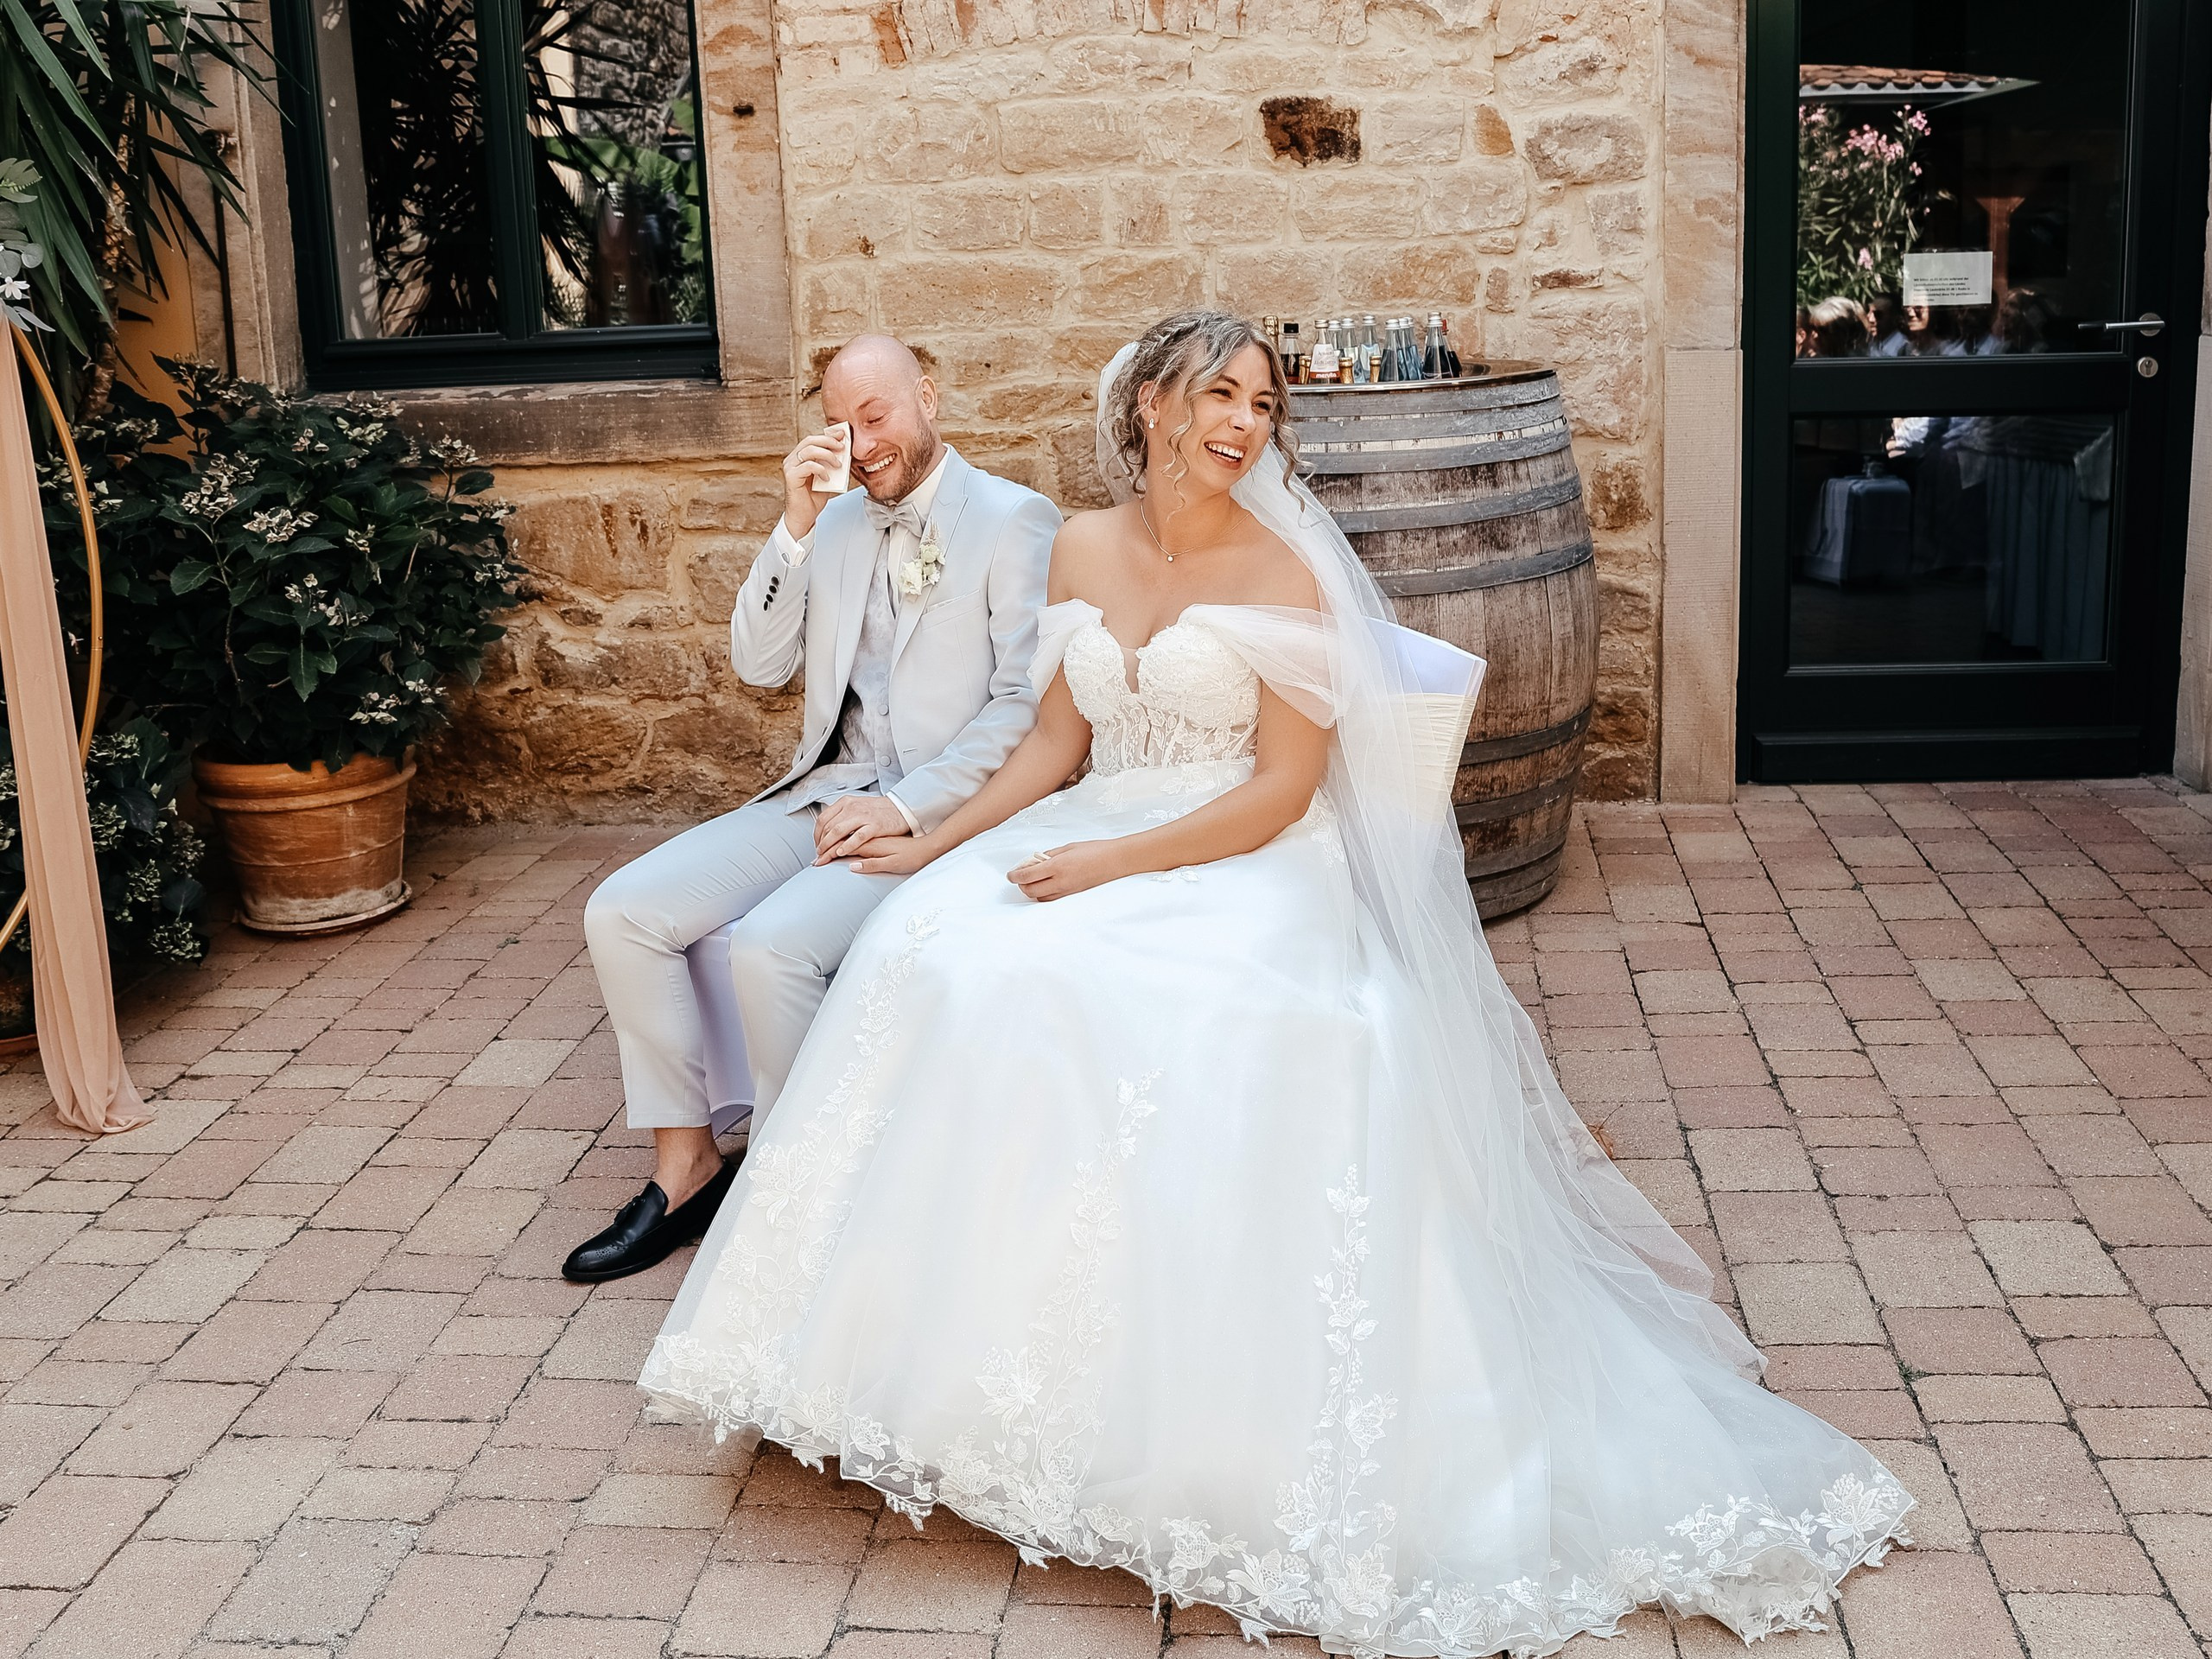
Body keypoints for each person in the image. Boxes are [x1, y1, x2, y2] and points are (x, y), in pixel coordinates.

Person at [642, 311, 1914, 1655]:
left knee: (1197, 1011)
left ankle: (1173, 1416)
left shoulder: (1290, 567)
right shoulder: (1077, 545)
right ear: (1149, 408)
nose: (1244, 423)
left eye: (1263, 404)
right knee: (933, 951)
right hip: (1096, 820)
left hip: (1241, 852)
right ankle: (912, 1374)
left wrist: (1116, 863)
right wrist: (935, 838)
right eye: (1219, 395)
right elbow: (1050, 746)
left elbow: (1284, 789)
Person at [563, 334, 1059, 1281]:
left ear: (929, 397)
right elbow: (760, 666)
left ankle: (805, 1189)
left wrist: (909, 810)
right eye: (841, 423)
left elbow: (1020, 703)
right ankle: (688, 1168)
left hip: (935, 810)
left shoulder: (1012, 519)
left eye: (877, 418)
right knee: (621, 912)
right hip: (819, 791)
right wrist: (793, 524)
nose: (861, 443)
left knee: (773, 945)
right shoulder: (830, 523)